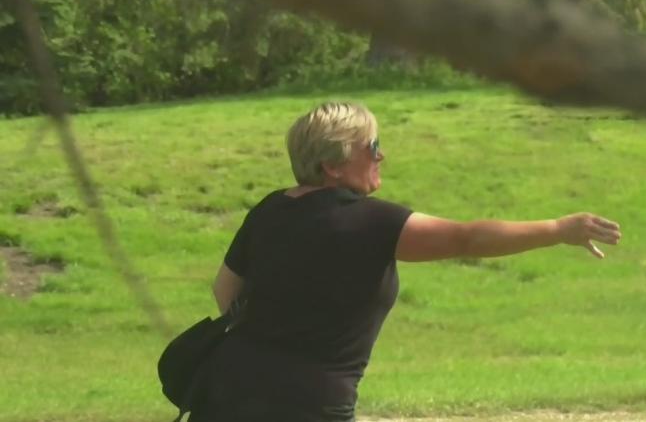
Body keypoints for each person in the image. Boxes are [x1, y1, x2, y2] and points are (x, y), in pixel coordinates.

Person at [188, 102, 622, 422]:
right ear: (332, 165)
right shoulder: (370, 221)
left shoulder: (270, 209)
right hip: (309, 405)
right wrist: (558, 229)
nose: (381, 156)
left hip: (224, 392)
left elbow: (225, 290)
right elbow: (466, 238)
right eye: (372, 146)